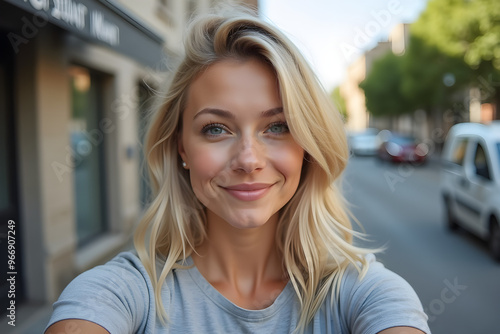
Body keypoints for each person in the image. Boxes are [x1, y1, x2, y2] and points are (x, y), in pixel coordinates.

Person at [45, 5, 430, 334]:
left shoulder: (367, 294)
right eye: (216, 129)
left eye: (277, 127)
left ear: (307, 148)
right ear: (182, 146)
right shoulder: (120, 292)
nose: (248, 159)